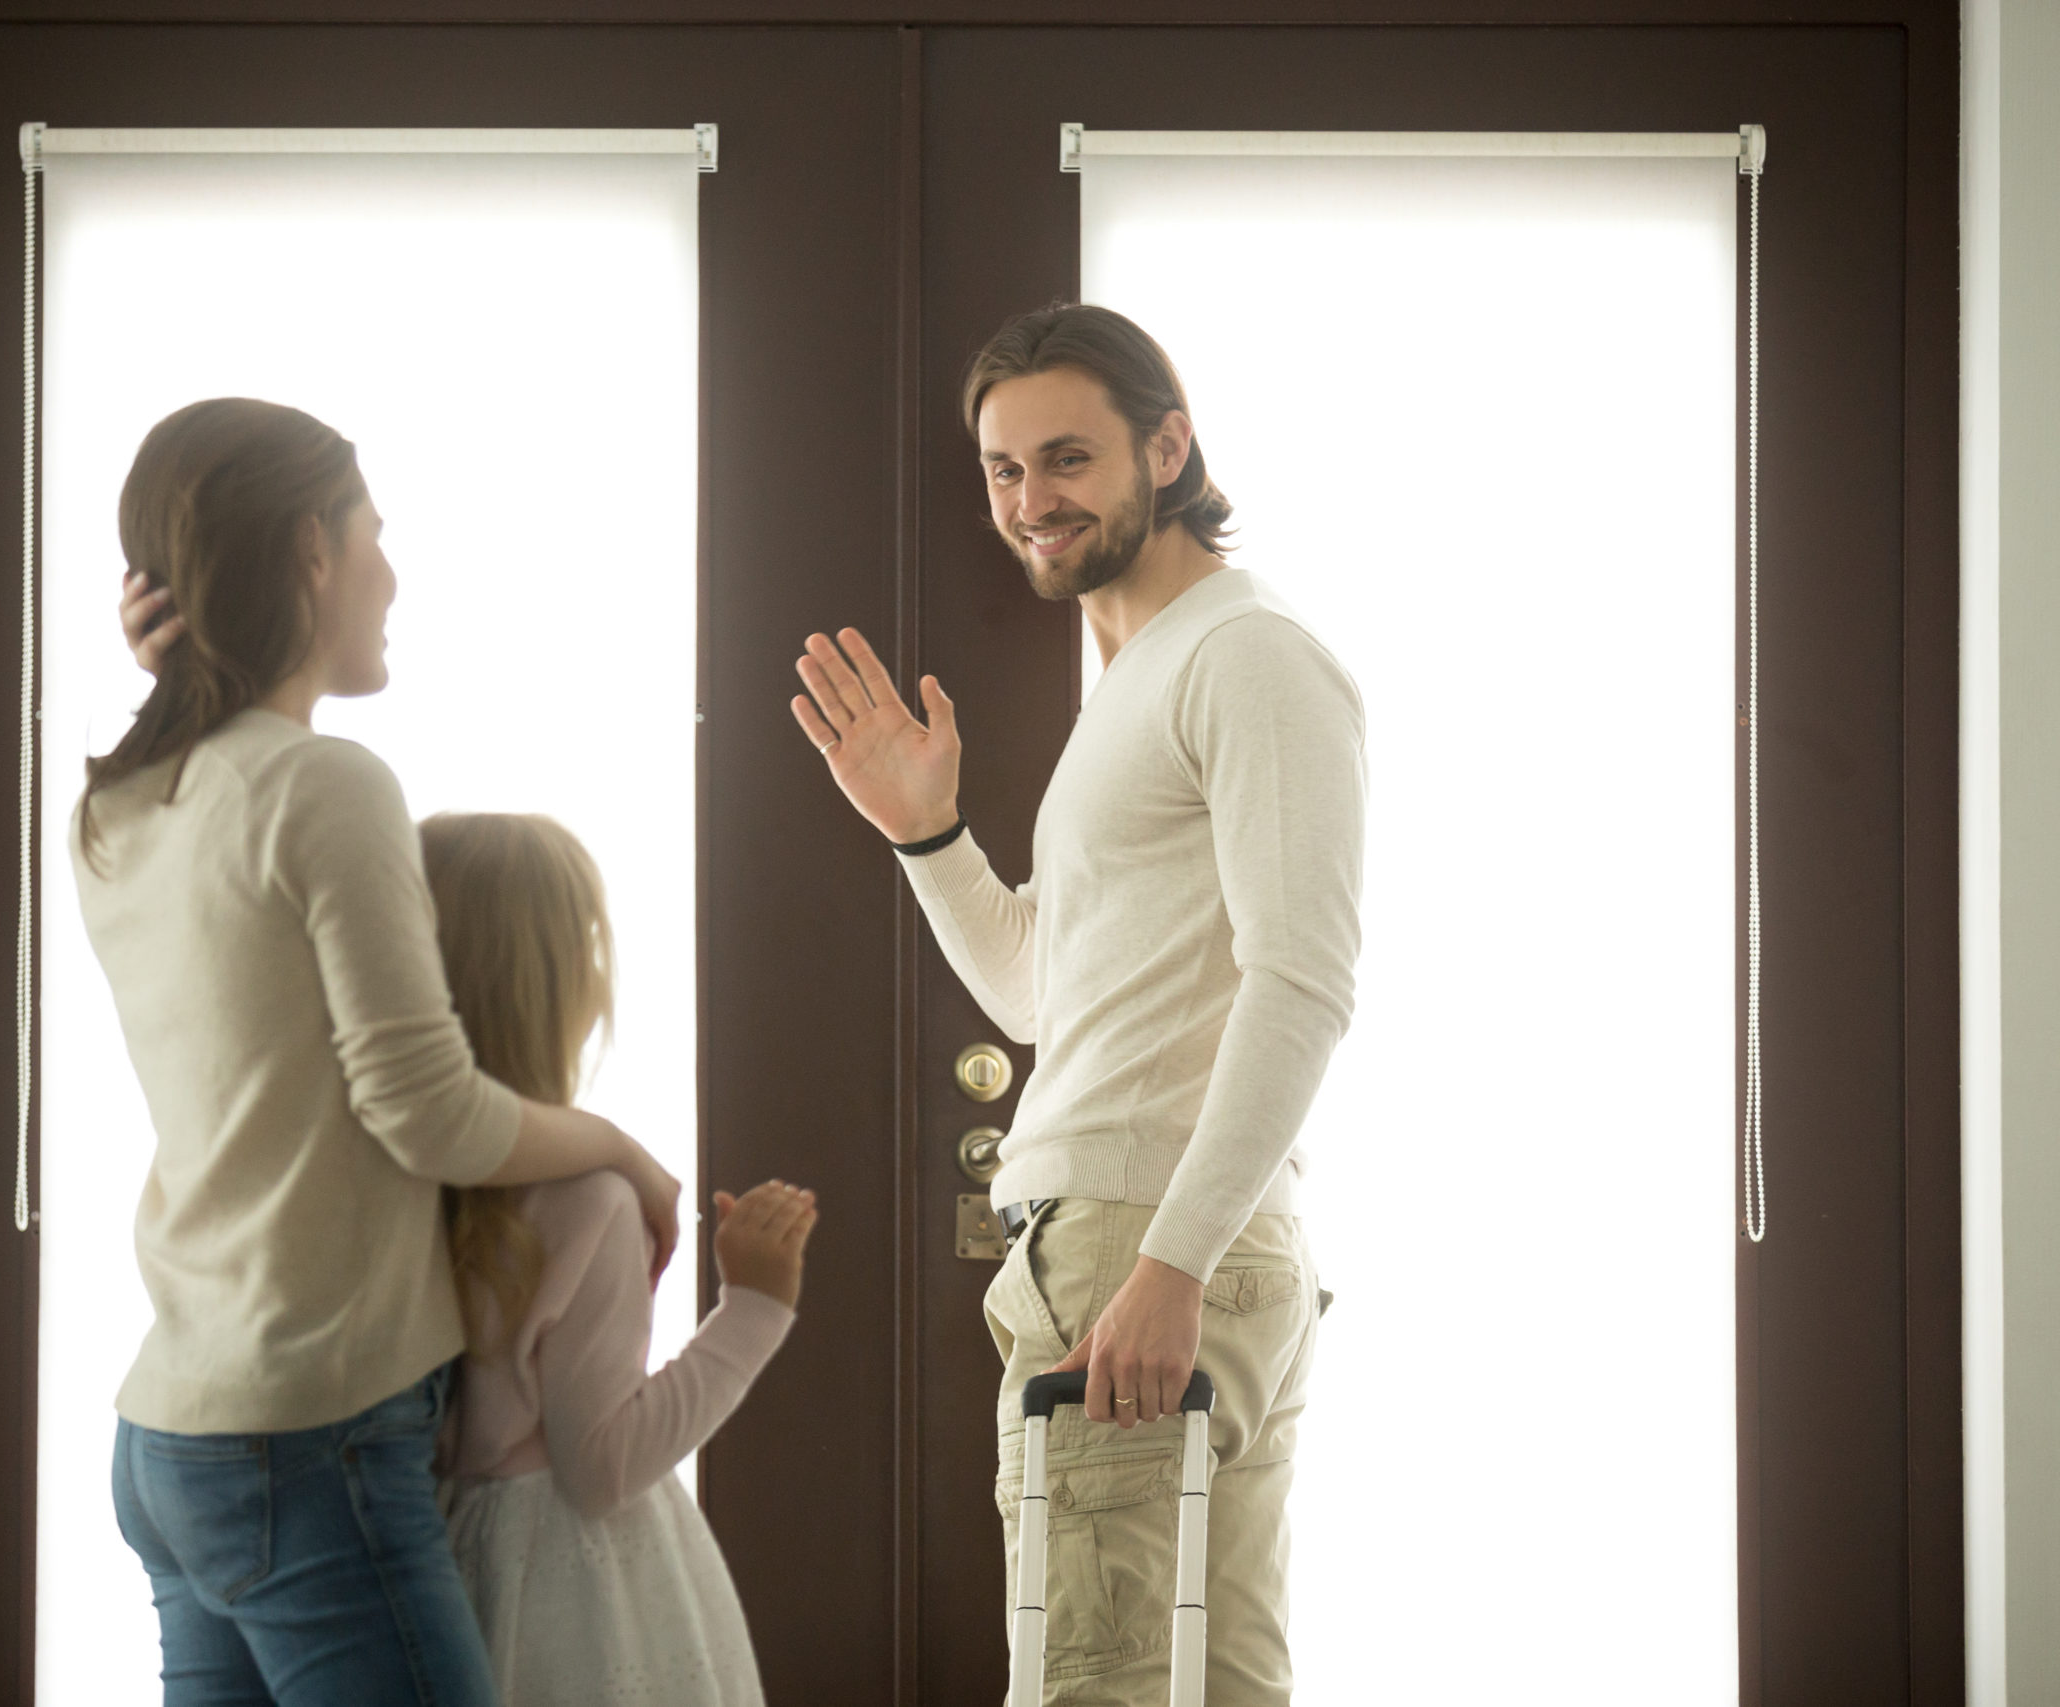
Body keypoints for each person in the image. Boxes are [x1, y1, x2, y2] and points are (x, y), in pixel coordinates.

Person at [788, 303, 1365, 1705]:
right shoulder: (1143, 671)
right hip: (1157, 1239)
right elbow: (1046, 991)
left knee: (1093, 1683)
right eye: (1002, 470)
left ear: (1167, 448)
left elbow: (1305, 979)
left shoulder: (1246, 654)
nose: (1031, 501)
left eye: (1066, 458)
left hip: (1148, 1247)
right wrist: (928, 837)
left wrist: (1167, 1263)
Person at [76, 397, 682, 1707]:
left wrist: (178, 682)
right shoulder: (323, 782)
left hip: (173, 1432)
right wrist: (620, 1147)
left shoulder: (122, 804)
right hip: (306, 1437)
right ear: (309, 550)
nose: (389, 573)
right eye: (373, 533)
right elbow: (431, 1114)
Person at [417, 811, 814, 1706]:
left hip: (440, 1552)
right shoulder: (590, 1201)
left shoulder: (395, 1179)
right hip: (571, 1592)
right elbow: (600, 1467)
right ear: (568, 981)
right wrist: (752, 1310)